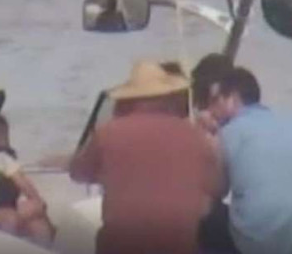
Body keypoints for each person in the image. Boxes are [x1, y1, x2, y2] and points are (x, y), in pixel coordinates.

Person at [69, 60, 220, 254]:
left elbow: (78, 173)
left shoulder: (108, 133)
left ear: (128, 99)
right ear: (170, 97)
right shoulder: (195, 136)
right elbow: (214, 188)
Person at [195, 65, 292, 254]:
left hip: (261, 245)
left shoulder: (230, 133)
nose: (211, 110)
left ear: (232, 99)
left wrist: (207, 138)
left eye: (214, 101)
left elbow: (216, 190)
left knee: (203, 210)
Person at [0, 113, 56, 245]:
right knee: (37, 206)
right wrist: (39, 202)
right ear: (0, 137)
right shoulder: (2, 158)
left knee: (37, 225)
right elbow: (24, 185)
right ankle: (50, 240)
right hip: (1, 213)